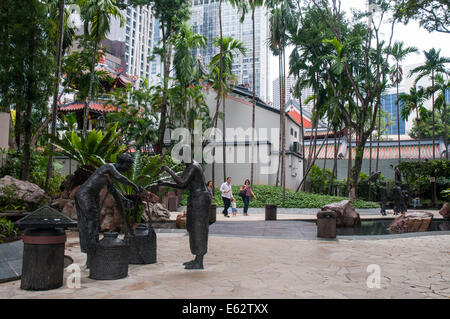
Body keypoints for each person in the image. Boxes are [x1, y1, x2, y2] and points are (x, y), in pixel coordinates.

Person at [75, 153, 142, 268]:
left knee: (94, 225)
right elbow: (121, 178)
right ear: (122, 163)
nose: (129, 168)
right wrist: (134, 186)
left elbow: (113, 190)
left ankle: (92, 256)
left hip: (92, 196)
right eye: (128, 165)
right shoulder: (108, 167)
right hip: (85, 194)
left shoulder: (109, 175)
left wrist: (125, 200)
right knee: (92, 224)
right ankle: (91, 256)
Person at [158, 159, 211, 270]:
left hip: (200, 199)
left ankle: (199, 261)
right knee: (192, 227)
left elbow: (181, 182)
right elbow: (183, 186)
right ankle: (197, 258)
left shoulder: (194, 166)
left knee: (199, 228)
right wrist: (165, 183)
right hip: (194, 198)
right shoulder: (188, 168)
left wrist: (168, 170)